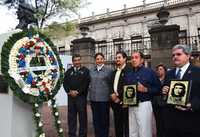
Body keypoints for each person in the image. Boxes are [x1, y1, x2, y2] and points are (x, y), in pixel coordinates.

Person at [162, 44, 200, 137]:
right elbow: (164, 95)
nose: (175, 57)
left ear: (188, 56)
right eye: (173, 55)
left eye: (178, 54)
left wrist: (192, 105)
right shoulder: (169, 73)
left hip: (190, 121)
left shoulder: (197, 72)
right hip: (171, 122)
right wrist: (164, 91)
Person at [124, 51, 161, 137]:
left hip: (144, 104)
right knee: (132, 132)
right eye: (132, 58)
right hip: (131, 105)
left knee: (144, 132)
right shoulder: (129, 74)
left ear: (142, 60)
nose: (133, 60)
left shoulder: (150, 72)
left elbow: (158, 88)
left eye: (136, 57)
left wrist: (146, 89)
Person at [63, 54, 90, 137]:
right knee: (71, 117)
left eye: (78, 60)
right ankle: (72, 134)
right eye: (75, 60)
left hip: (81, 97)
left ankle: (82, 134)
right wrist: (69, 91)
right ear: (73, 61)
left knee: (82, 117)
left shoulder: (85, 71)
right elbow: (65, 83)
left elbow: (86, 83)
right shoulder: (68, 71)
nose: (77, 62)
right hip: (71, 98)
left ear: (80, 60)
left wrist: (77, 92)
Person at [88, 53, 112, 137]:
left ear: (104, 59)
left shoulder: (109, 71)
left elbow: (111, 84)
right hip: (94, 100)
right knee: (96, 120)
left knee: (104, 120)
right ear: (95, 60)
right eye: (97, 59)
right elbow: (89, 83)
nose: (99, 60)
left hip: (104, 100)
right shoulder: (91, 70)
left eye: (101, 59)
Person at [110, 51, 130, 137]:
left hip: (124, 102)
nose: (117, 59)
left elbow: (128, 85)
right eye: (116, 57)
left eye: (119, 57)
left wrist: (119, 97)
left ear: (124, 59)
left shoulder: (129, 71)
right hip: (115, 102)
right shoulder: (114, 72)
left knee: (126, 125)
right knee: (117, 124)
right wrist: (112, 94)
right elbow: (110, 84)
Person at [152, 64, 167, 137]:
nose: (159, 71)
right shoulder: (154, 80)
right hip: (156, 104)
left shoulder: (168, 80)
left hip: (166, 105)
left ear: (165, 71)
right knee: (158, 122)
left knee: (165, 122)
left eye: (161, 69)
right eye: (158, 70)